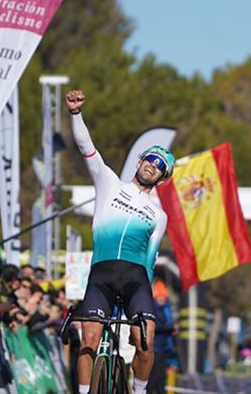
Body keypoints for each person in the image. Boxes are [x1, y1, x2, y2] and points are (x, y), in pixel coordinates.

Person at [66, 89, 173, 394]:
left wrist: (146, 304)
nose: (152, 165)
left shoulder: (158, 214)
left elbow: (150, 261)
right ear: (140, 161)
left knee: (145, 340)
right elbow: (86, 146)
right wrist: (75, 114)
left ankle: (138, 391)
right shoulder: (109, 182)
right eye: (150, 159)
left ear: (161, 178)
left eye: (160, 166)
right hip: (101, 274)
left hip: (135, 280)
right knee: (88, 339)